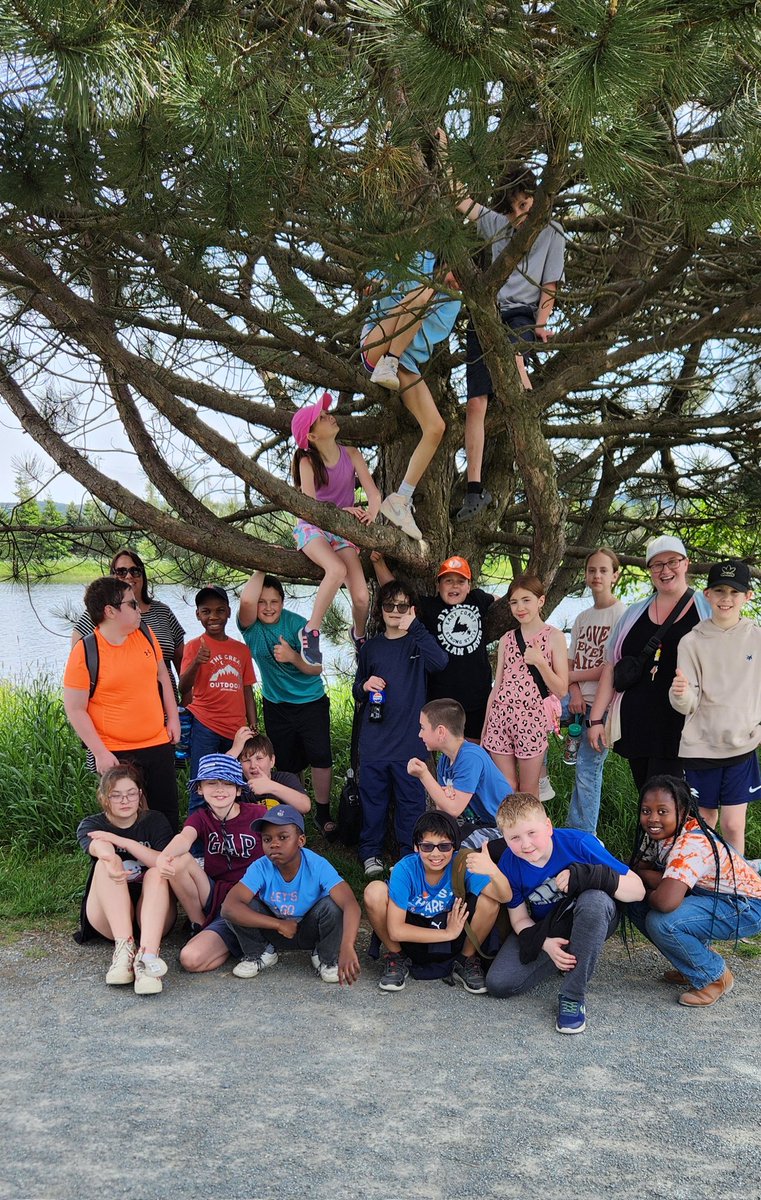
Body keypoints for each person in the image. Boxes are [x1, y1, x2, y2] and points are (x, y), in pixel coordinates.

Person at [436, 128, 565, 521]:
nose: (520, 214)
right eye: (514, 208)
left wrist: (542, 323)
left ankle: (537, 461)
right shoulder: (495, 224)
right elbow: (460, 199)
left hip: (522, 317)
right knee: (476, 402)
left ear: (536, 199)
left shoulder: (554, 232)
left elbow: (549, 286)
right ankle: (474, 489)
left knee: (516, 363)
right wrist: (443, 150)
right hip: (487, 314)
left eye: (526, 204)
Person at [485, 792, 645, 1033]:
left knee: (595, 900)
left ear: (548, 826)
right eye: (514, 838)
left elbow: (638, 890)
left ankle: (572, 995)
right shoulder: (509, 862)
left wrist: (587, 876)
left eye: (532, 833)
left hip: (594, 915)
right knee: (499, 983)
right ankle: (570, 955)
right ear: (505, 839)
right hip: (550, 928)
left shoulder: (578, 843)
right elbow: (518, 918)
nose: (526, 845)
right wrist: (544, 943)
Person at [589, 536, 711, 792]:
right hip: (638, 727)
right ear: (650, 571)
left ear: (686, 563)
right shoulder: (633, 614)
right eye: (657, 565)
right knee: (648, 800)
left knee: (674, 802)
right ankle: (647, 835)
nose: (665, 570)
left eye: (672, 562)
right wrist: (596, 719)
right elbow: (611, 667)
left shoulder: (706, 611)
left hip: (682, 729)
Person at [629, 775, 761, 1006]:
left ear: (682, 811)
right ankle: (691, 964)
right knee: (631, 900)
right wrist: (649, 880)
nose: (652, 819)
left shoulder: (691, 843)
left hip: (746, 906)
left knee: (663, 921)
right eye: (646, 811)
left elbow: (665, 902)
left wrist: (645, 884)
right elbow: (638, 869)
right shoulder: (656, 835)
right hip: (713, 898)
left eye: (662, 811)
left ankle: (713, 977)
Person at [63, 575, 181, 831]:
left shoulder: (145, 633)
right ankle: (129, 867)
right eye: (131, 604)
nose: (139, 608)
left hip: (158, 742)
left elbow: (163, 675)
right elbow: (74, 708)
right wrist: (100, 751)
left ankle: (168, 867)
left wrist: (173, 718)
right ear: (110, 611)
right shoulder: (86, 651)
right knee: (127, 817)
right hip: (115, 751)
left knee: (167, 814)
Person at [360, 252, 460, 539]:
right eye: (456, 274)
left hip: (405, 361)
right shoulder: (419, 258)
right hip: (378, 344)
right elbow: (378, 272)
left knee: (436, 427)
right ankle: (388, 362)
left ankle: (401, 499)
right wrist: (372, 280)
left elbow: (426, 339)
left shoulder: (453, 301)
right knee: (423, 290)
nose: (456, 284)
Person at [353, 580, 447, 877]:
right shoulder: (372, 647)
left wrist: (415, 627)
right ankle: (370, 853)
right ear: (380, 610)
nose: (396, 611)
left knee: (411, 802)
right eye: (389, 606)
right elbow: (357, 688)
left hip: (410, 740)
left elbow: (441, 663)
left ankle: (409, 855)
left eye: (402, 606)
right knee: (374, 802)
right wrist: (364, 686)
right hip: (375, 740)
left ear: (412, 609)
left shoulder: (418, 642)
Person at [668, 559, 761, 857]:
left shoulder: (756, 638)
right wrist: (679, 694)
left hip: (741, 746)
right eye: (719, 590)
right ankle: (707, 883)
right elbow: (687, 702)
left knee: (734, 825)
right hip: (699, 748)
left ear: (748, 596)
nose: (726, 598)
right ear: (707, 594)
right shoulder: (691, 642)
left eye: (734, 592)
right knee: (704, 822)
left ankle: (737, 889)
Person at [364, 811, 510, 993]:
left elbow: (504, 897)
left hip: (454, 937)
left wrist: (493, 871)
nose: (435, 854)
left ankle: (466, 960)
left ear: (454, 847)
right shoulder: (405, 868)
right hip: (415, 937)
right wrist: (448, 933)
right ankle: (397, 956)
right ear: (416, 847)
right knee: (374, 891)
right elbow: (395, 930)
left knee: (490, 900)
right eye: (427, 846)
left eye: (444, 846)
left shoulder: (461, 862)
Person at [236, 570, 334, 835]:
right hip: (276, 704)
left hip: (310, 701)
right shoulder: (250, 627)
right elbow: (245, 603)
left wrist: (293, 657)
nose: (268, 608)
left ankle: (322, 813)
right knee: (288, 762)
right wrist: (261, 565)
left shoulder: (299, 625)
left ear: (283, 601)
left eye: (274, 602)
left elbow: (316, 668)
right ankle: (293, 807)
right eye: (262, 602)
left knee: (320, 757)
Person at [221, 805, 362, 986]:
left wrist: (347, 945)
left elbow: (351, 904)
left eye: (283, 837)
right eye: (267, 839)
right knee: (238, 906)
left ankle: (326, 957)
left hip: (309, 929)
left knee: (332, 906)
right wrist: (278, 924)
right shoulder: (261, 866)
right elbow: (228, 908)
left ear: (301, 840)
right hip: (275, 930)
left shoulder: (317, 865)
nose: (274, 844)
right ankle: (260, 953)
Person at [154, 754, 268, 974]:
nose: (219, 789)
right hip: (215, 894)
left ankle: (239, 937)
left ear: (238, 790)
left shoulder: (259, 814)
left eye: (227, 783)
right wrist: (163, 856)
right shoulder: (201, 817)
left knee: (191, 958)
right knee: (179, 861)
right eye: (211, 783)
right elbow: (184, 838)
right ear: (200, 789)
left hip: (248, 900)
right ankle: (200, 925)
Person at [290, 392, 381, 667]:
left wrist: (369, 518)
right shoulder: (307, 462)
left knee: (362, 597)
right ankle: (311, 630)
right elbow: (310, 508)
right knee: (337, 570)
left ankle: (359, 634)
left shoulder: (351, 454)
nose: (330, 416)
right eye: (322, 417)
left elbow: (374, 497)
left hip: (343, 534)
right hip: (313, 529)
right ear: (313, 436)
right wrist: (342, 513)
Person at [372, 552, 495, 742]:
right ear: (438, 586)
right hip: (442, 697)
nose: (454, 585)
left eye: (461, 581)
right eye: (448, 581)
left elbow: (504, 602)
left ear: (469, 586)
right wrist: (378, 563)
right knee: (444, 747)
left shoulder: (478, 600)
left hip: (478, 695)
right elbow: (394, 594)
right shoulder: (429, 606)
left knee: (472, 750)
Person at [75, 764, 176, 995]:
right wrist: (111, 857)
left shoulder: (155, 821)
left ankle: (147, 958)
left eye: (131, 793)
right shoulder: (92, 824)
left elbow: (163, 862)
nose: (125, 800)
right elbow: (98, 846)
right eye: (116, 795)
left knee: (156, 872)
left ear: (140, 795)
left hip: (152, 915)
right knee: (105, 864)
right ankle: (123, 952)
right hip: (108, 918)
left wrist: (123, 842)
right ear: (104, 797)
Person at [481, 574, 568, 796]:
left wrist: (540, 661)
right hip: (500, 718)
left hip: (531, 719)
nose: (520, 607)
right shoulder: (507, 639)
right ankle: (509, 831)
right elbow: (497, 685)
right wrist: (486, 726)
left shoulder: (554, 637)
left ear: (541, 601)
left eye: (526, 600)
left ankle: (534, 831)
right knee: (506, 788)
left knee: (529, 790)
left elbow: (561, 689)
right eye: (514, 602)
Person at [179, 584, 258, 816]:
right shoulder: (194, 646)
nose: (213, 616)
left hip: (236, 728)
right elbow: (183, 687)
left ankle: (232, 837)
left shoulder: (241, 650)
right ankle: (196, 847)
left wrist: (252, 724)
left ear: (228, 612)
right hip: (205, 725)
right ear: (198, 615)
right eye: (206, 611)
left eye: (219, 610)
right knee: (202, 785)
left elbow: (247, 690)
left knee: (235, 786)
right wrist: (196, 662)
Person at [564, 548, 626, 833]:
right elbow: (570, 660)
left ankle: (582, 836)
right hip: (575, 698)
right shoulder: (582, 619)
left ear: (615, 574)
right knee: (534, 713)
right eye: (592, 570)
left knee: (587, 773)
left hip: (602, 707)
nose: (596, 575)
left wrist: (571, 676)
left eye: (603, 570)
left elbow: (610, 668)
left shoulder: (621, 614)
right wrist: (574, 690)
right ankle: (536, 785)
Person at [71, 547, 185, 687]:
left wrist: (186, 698)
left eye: (135, 571)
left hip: (166, 703)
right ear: (112, 576)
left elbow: (181, 660)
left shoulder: (163, 612)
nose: (129, 576)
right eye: (121, 571)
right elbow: (77, 661)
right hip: (117, 700)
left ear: (142, 574)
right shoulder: (100, 612)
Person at [408, 698, 512, 831]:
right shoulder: (444, 762)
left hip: (505, 829)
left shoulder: (470, 757)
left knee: (457, 849)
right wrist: (446, 797)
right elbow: (443, 809)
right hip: (479, 827)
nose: (419, 734)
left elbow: (453, 809)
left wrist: (423, 775)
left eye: (423, 728)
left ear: (440, 731)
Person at [227, 728, 310, 815]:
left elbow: (305, 806)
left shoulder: (285, 779)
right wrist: (235, 750)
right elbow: (213, 779)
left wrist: (270, 786)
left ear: (272, 761)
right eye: (247, 760)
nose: (253, 765)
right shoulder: (237, 784)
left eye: (259, 758)